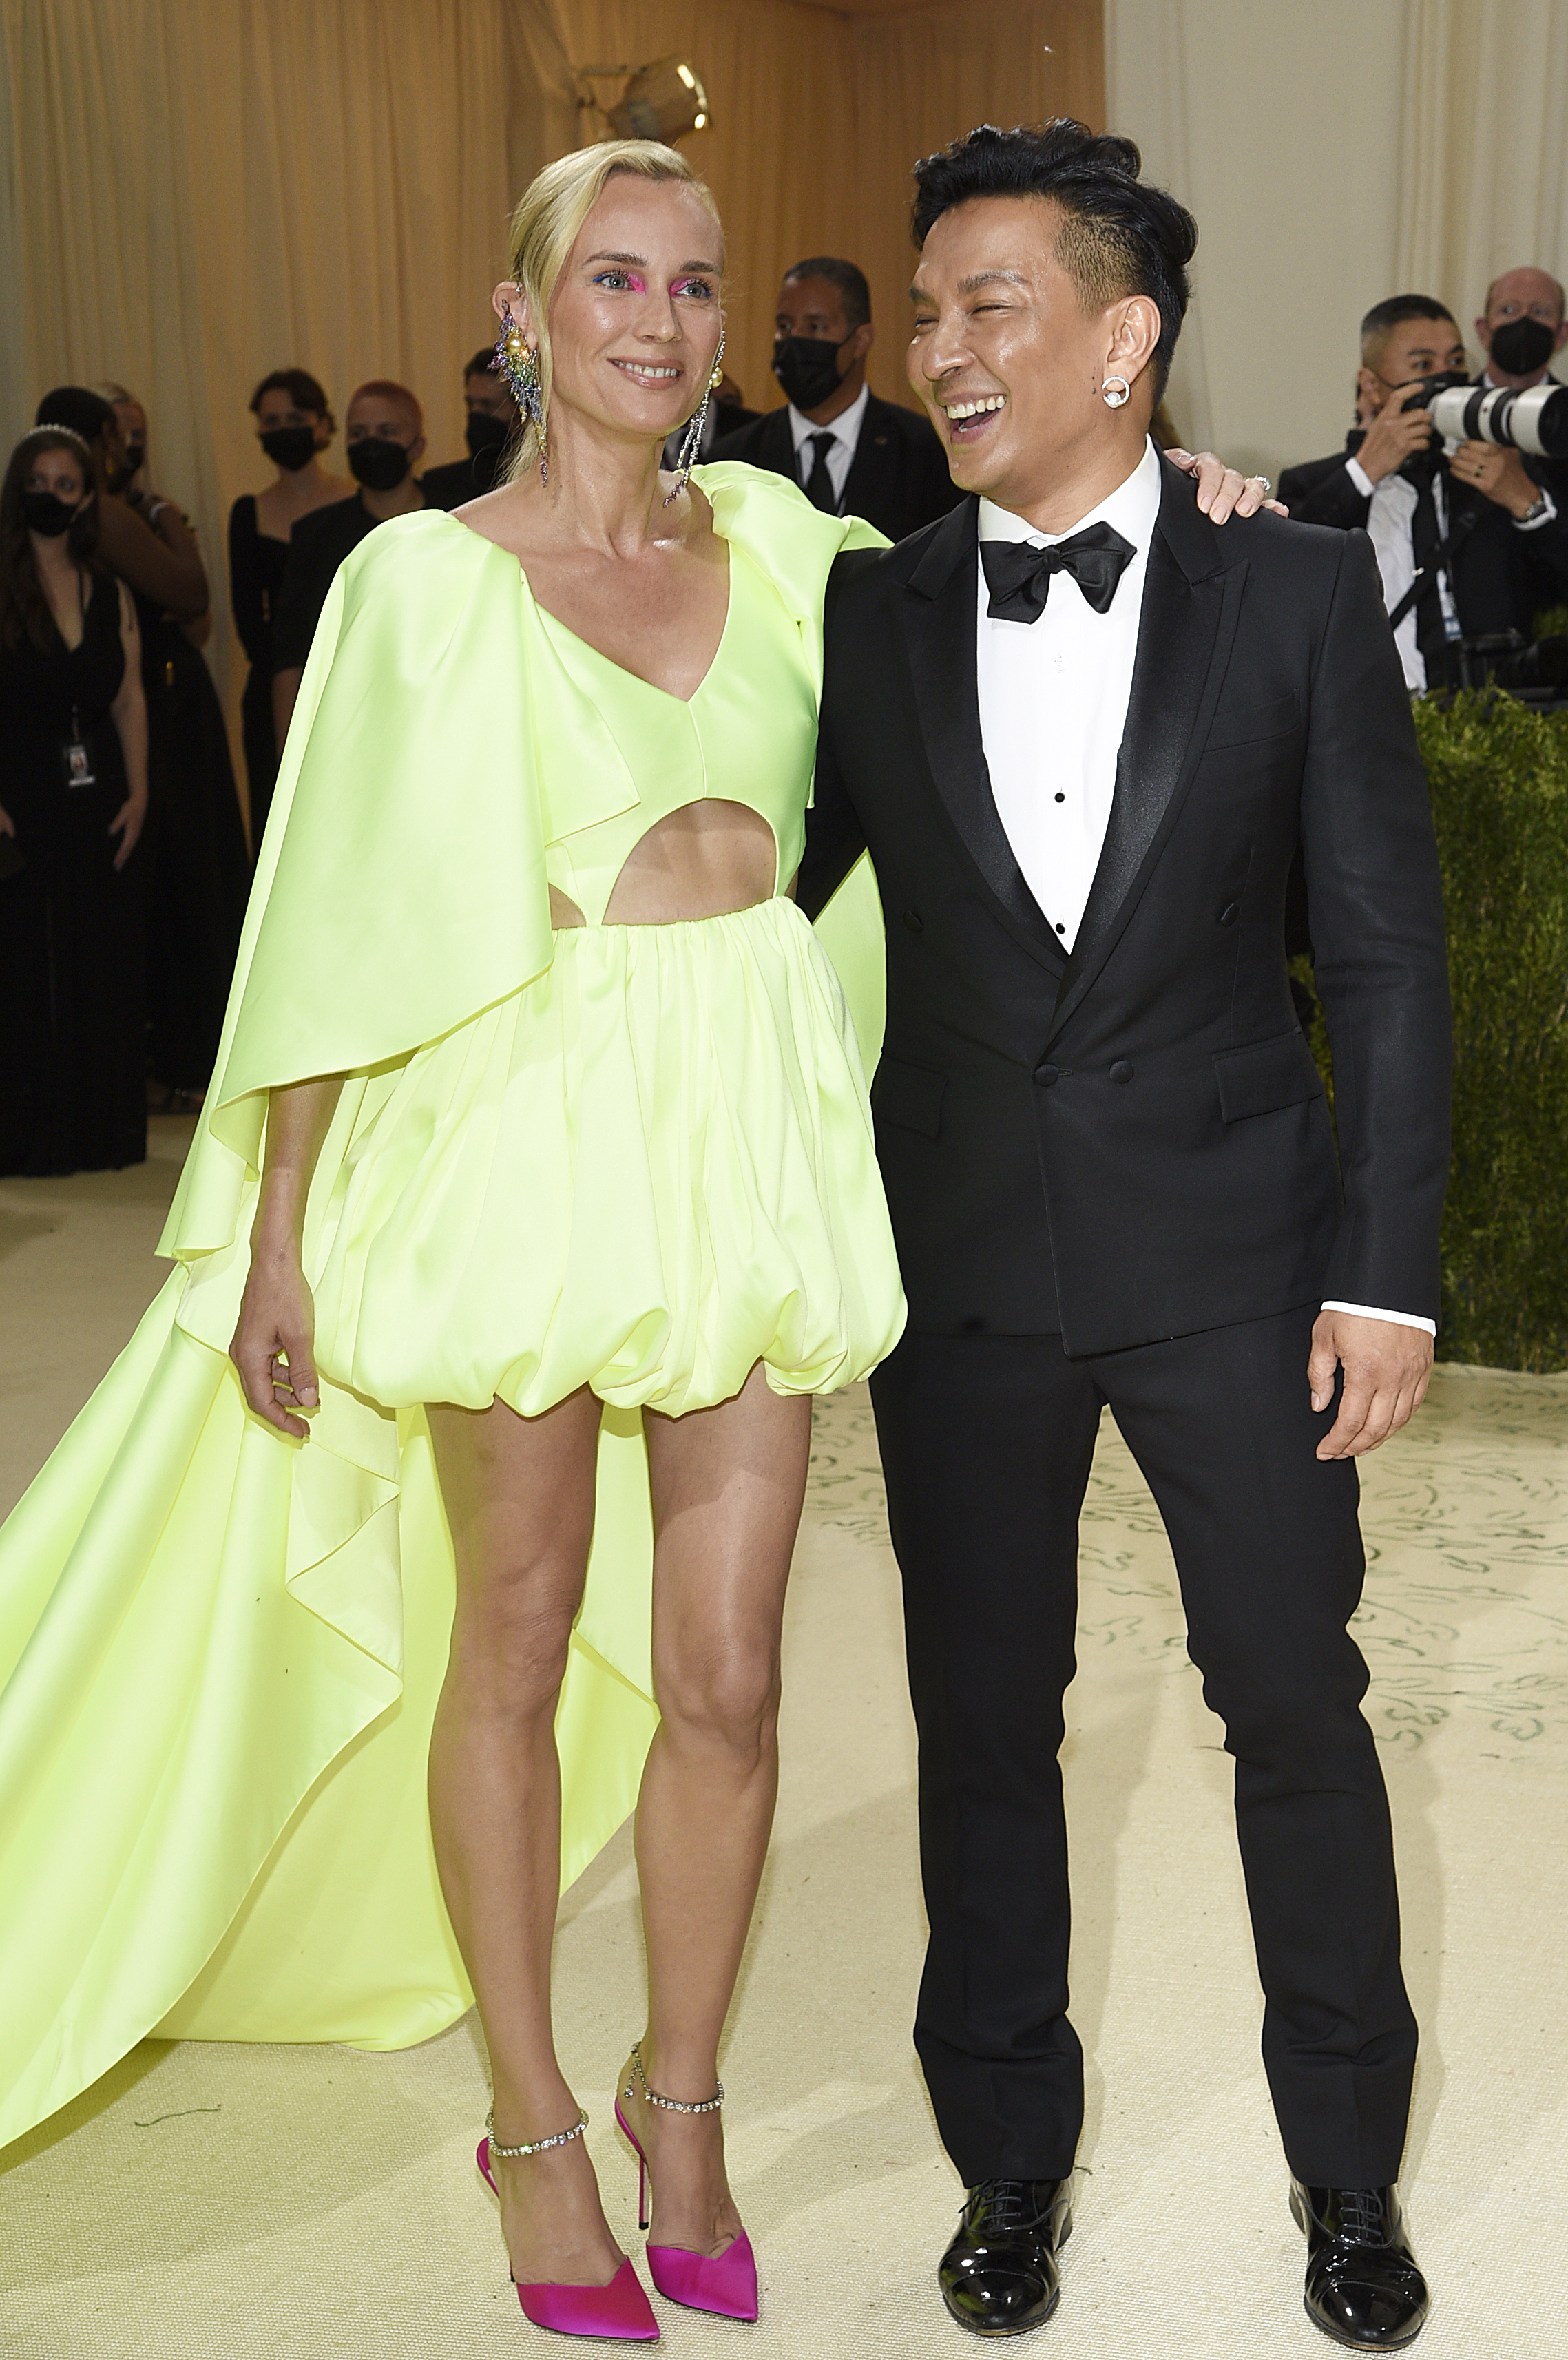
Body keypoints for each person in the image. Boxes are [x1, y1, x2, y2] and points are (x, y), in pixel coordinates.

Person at [0, 138, 1263, 2329]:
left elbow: (1031, 578)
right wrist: (282, 1215)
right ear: (521, 313)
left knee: (736, 1665)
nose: (665, 323)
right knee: (511, 1624)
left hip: (743, 1113)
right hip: (516, 1111)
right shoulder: (420, 578)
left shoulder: (792, 539)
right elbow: (327, 914)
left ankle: (677, 2090)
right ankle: (527, 2119)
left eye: (694, 284)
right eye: (615, 278)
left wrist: (1202, 492)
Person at [798, 121, 1450, 2351]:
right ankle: (1002, 2164)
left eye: (990, 304)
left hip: (1241, 1262)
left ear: (1122, 336)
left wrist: (1382, 1266)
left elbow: (1377, 951)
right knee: (978, 1724)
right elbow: (766, 891)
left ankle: (1344, 2175)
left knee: (1292, 1706)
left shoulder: (1278, 580)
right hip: (963, 1265)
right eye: (924, 310)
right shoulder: (861, 599)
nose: (938, 349)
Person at [36, 386, 251, 1100]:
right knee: (190, 877)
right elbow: (191, 597)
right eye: (120, 435)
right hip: (152, 707)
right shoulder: (112, 513)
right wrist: (169, 522)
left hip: (111, 709)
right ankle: (192, 1062)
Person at [1277, 296, 1568, 689]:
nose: (1444, 378)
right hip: (1370, 722)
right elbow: (1284, 585)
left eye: (1456, 361)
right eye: (1423, 365)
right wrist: (1365, 471)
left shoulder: (1498, 472)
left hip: (1498, 726)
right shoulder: (1313, 483)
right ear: (1372, 385)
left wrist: (1527, 502)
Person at [0, 426, 148, 1174]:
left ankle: (101, 1130)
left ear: (88, 497)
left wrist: (142, 788)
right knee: (24, 961)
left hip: (97, 790)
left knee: (99, 953)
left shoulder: (109, 588)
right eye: (38, 482)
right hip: (17, 791)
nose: (50, 497)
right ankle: (25, 1133)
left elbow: (127, 698)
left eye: (66, 485)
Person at [711, 254, 963, 541]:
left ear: (861, 341)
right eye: (784, 326)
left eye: (815, 326)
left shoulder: (928, 454)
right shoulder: (732, 459)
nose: (795, 339)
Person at [228, 368, 351, 847]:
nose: (283, 429)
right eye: (271, 420)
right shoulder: (248, 512)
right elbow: (247, 622)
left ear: (322, 425)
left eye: (294, 418)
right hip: (273, 690)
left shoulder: (352, 503)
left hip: (350, 676)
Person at [268, 379, 428, 746]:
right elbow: (290, 655)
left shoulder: (455, 522)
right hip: (347, 728)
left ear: (418, 445)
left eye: (387, 431)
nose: (371, 444)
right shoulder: (315, 537)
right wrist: (289, 756)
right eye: (358, 433)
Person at [421, 344, 523, 510]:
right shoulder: (441, 486)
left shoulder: (541, 483)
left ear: (521, 410)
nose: (475, 415)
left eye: (487, 405)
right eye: (470, 404)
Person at [1474, 264, 1567, 390]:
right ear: (1483, 331)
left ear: (1562, 334)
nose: (1524, 319)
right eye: (1508, 310)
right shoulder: (1448, 406)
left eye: (1539, 311)